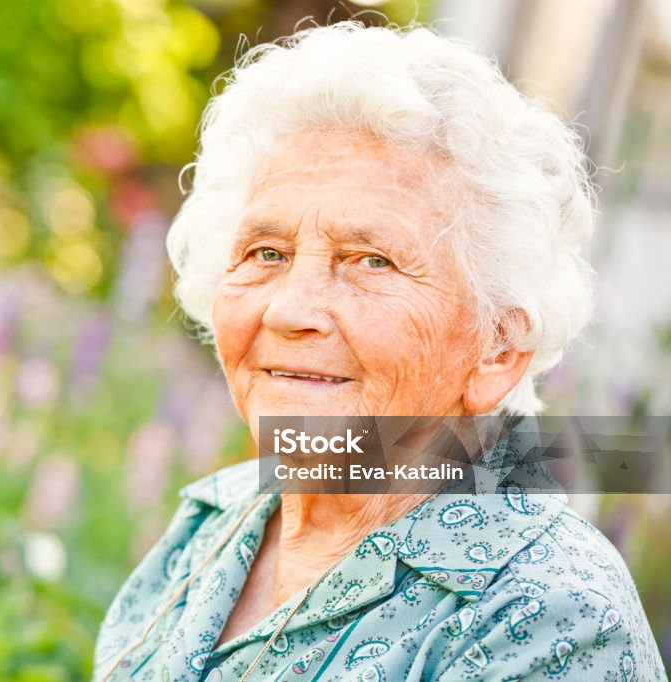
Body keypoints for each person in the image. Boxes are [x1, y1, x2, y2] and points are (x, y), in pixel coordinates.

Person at [93, 22, 666, 681]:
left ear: (498, 348)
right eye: (267, 253)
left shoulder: (551, 622)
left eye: (371, 261)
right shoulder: (214, 523)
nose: (289, 309)